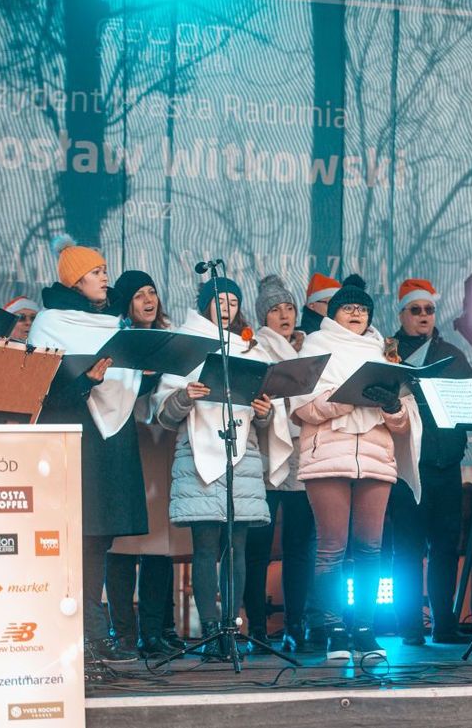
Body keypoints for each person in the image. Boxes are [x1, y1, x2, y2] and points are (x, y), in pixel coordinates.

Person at [154, 276, 288, 658]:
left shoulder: (249, 346)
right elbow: (164, 412)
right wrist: (184, 396)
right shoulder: (187, 342)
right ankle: (211, 629)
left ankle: (232, 627)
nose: (227, 305)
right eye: (220, 299)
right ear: (205, 303)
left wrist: (264, 412)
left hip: (240, 455)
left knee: (238, 546)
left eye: (233, 300)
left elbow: (261, 411)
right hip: (198, 453)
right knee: (206, 544)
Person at [30, 236, 149, 664]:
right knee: (73, 540)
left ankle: (95, 637)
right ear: (76, 280)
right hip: (73, 437)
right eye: (97, 272)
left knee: (98, 539)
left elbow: (130, 384)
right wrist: (87, 382)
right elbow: (40, 394)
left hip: (112, 440)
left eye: (104, 271)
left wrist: (149, 370)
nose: (105, 279)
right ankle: (83, 638)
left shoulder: (115, 325)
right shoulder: (49, 324)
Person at [290, 274, 421, 662]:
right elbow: (302, 407)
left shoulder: (383, 352)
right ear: (332, 313)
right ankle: (333, 630)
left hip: (376, 459)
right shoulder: (314, 347)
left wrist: (392, 406)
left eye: (363, 309)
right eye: (348, 308)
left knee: (371, 549)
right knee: (331, 548)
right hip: (329, 456)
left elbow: (404, 421)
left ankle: (365, 630)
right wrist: (349, 398)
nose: (356, 314)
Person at [106, 271, 190, 659]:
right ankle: (122, 632)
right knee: (122, 544)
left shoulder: (172, 338)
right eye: (138, 294)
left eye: (152, 292)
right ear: (125, 303)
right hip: (124, 441)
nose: (147, 299)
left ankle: (156, 631)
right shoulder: (113, 337)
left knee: (160, 545)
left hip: (162, 442)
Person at [388, 278, 472, 646]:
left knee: (444, 547)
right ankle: (409, 626)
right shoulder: (386, 355)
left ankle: (444, 623)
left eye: (429, 309)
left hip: (446, 466)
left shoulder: (454, 355)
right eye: (416, 310)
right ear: (403, 314)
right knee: (407, 549)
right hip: (407, 467)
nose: (424, 316)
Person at [244, 274, 317, 653]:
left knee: (300, 546)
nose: (285, 315)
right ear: (263, 317)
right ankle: (256, 627)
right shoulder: (253, 350)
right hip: (263, 457)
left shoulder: (308, 351)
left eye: (289, 307)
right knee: (257, 547)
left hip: (302, 456)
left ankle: (295, 624)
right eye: (275, 310)